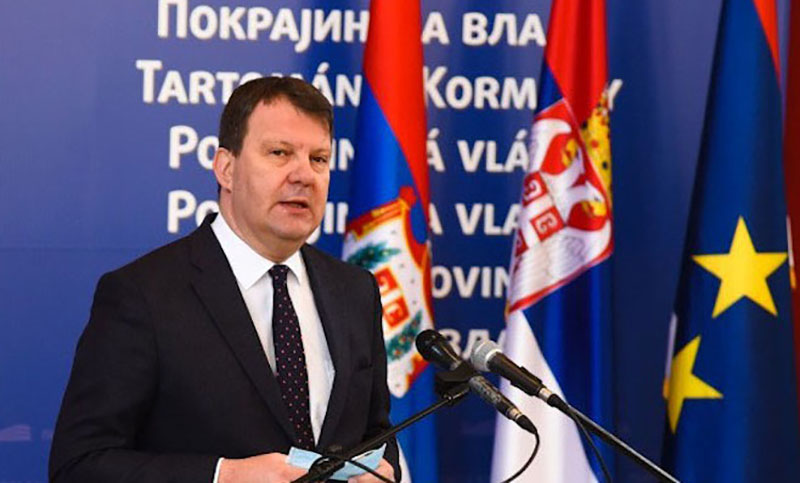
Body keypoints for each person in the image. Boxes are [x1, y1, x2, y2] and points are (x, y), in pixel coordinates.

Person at [49, 77, 399, 483]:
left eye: (319, 159)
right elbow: (79, 465)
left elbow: (376, 433)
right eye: (280, 153)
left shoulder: (355, 291)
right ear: (226, 169)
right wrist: (223, 476)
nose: (304, 175)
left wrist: (383, 472)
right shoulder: (143, 295)